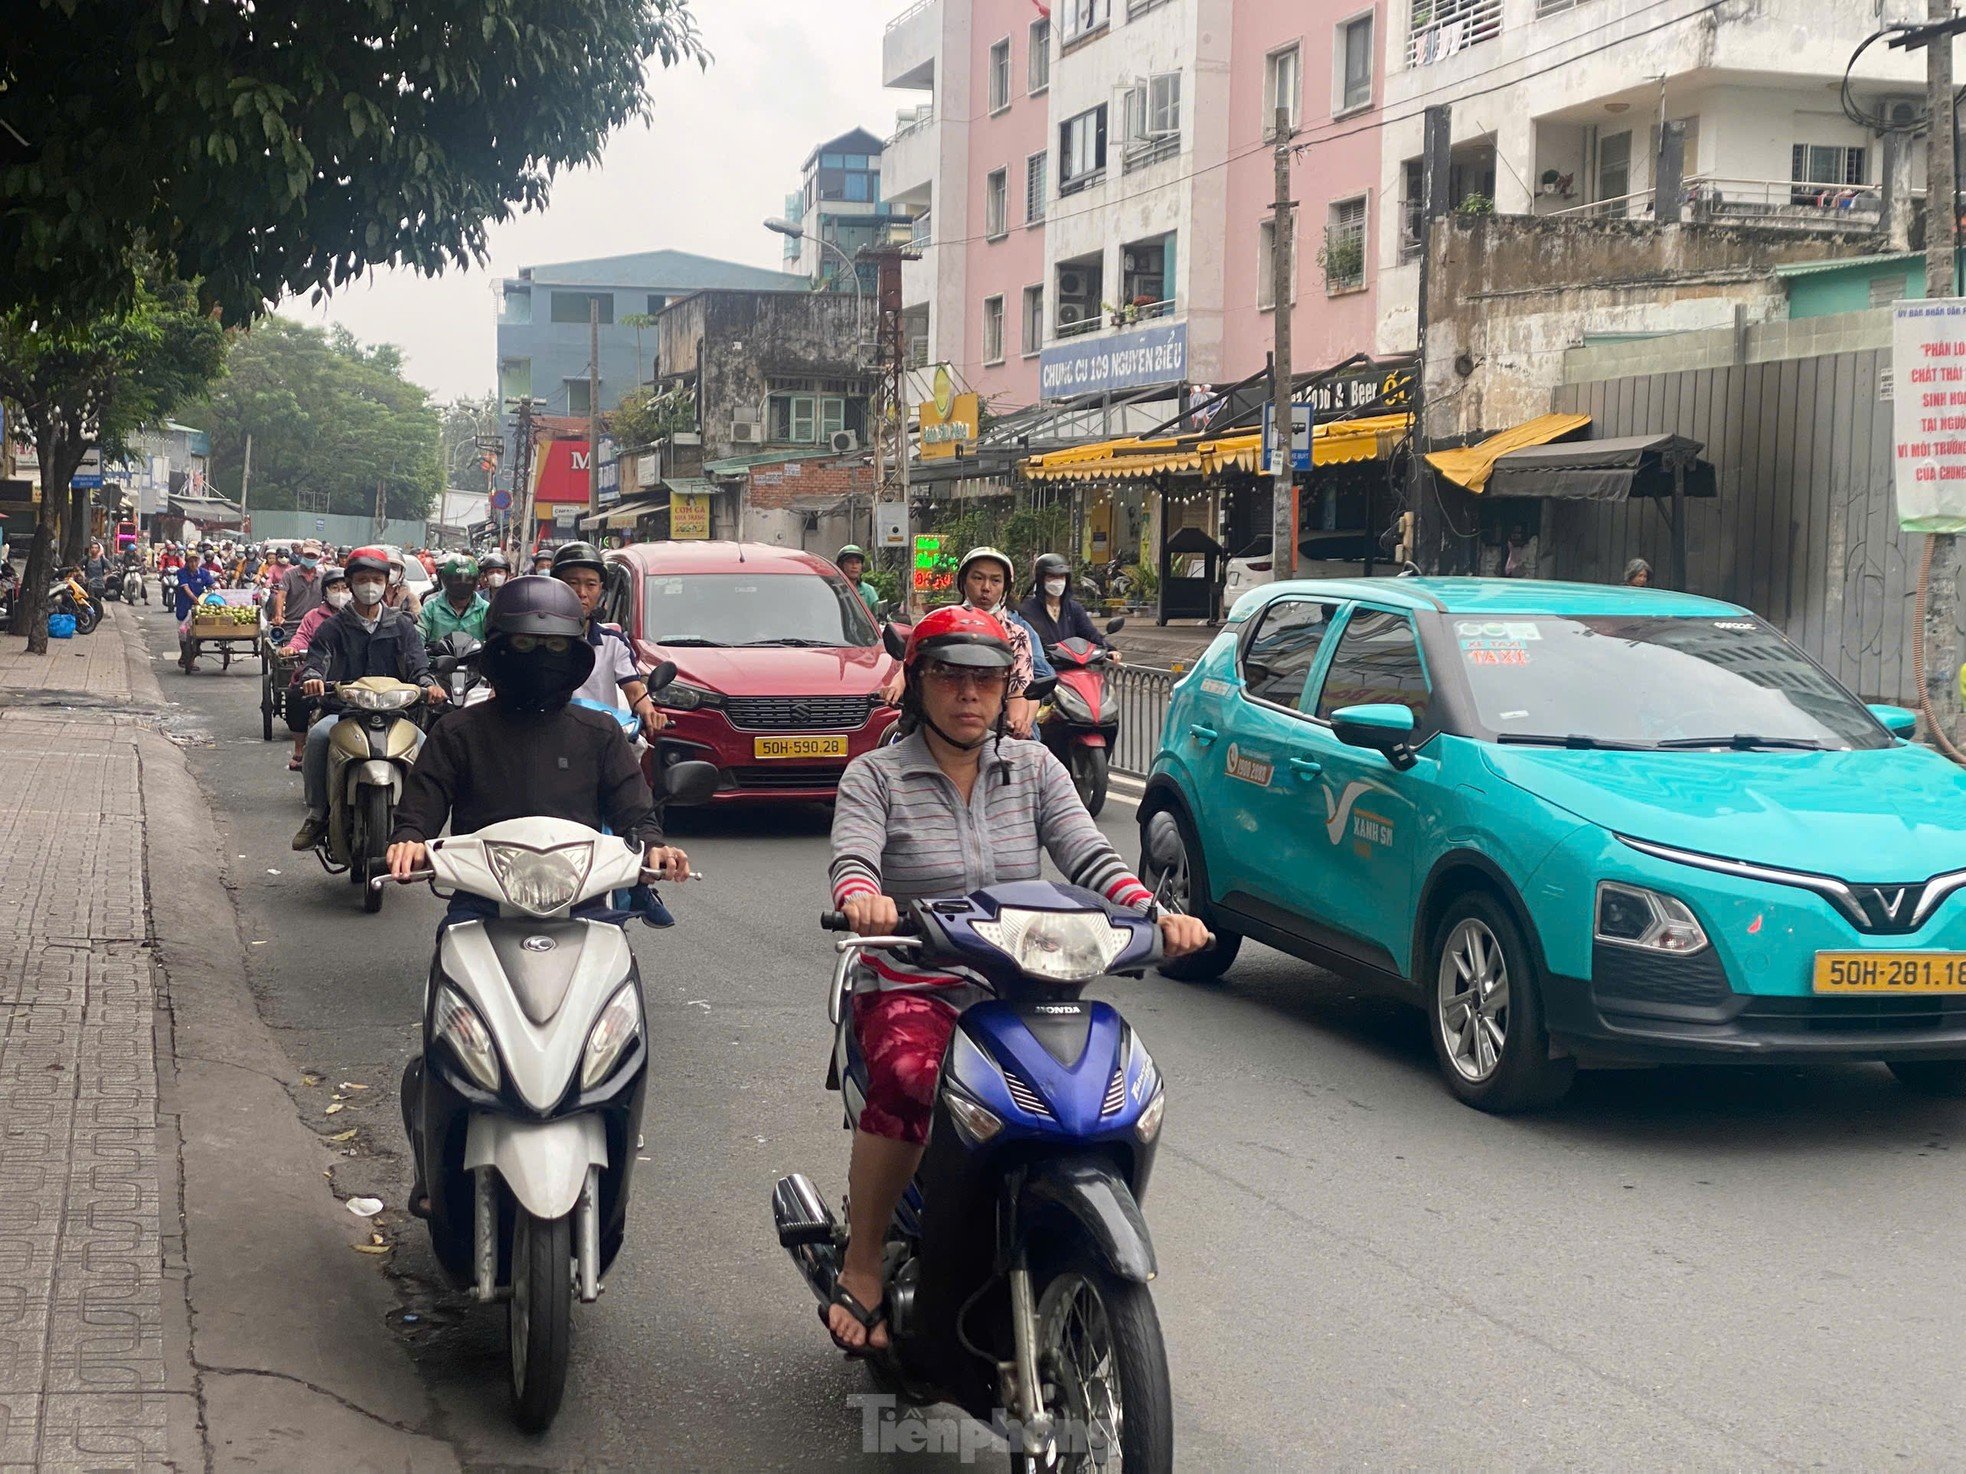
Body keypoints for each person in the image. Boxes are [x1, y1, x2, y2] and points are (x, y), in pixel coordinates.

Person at [821, 606, 1207, 1351]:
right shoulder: (876, 776)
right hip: (914, 981)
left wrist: (1156, 916)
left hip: (1029, 984)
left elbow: (1091, 858)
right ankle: (864, 1260)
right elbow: (854, 861)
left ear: (1007, 691)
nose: (969, 696)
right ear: (918, 686)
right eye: (950, 678)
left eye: (986, 681)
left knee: (1110, 1087)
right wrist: (862, 901)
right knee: (908, 1077)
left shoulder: (1034, 769)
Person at [291, 548, 444, 850]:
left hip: (395, 714)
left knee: (426, 747)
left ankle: (418, 823)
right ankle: (317, 814)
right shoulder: (332, 627)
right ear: (350, 584)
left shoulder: (402, 625)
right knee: (319, 738)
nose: (370, 586)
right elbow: (317, 660)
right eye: (362, 579)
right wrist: (313, 679)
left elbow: (418, 665)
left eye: (376, 579)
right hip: (344, 711)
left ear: (387, 583)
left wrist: (429, 685)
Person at [548, 542, 669, 731]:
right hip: (548, 736)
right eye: (572, 583)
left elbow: (634, 690)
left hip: (600, 738)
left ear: (601, 589)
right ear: (555, 586)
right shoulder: (539, 639)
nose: (582, 593)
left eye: (591, 585)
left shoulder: (614, 642)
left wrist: (649, 713)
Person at [279, 566, 349, 770]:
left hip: (352, 675)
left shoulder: (358, 616)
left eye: (345, 588)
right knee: (295, 696)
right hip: (318, 673)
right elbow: (302, 637)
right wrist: (292, 647)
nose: (340, 593)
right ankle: (299, 749)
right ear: (325, 592)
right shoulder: (313, 617)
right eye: (335, 588)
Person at [1018, 552, 1121, 659]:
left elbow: (1090, 634)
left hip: (1074, 667)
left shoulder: (1074, 609)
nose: (1057, 581)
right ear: (1041, 579)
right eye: (1052, 576)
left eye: (1061, 576)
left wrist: (1109, 649)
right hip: (1044, 672)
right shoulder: (1028, 610)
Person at [420, 553, 487, 643]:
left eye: (468, 579)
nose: (462, 584)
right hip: (436, 657)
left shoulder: (485, 609)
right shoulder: (430, 608)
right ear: (446, 580)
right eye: (457, 579)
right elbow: (418, 639)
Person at [272, 541, 327, 626]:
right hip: (293, 622)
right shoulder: (289, 574)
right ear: (301, 552)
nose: (310, 558)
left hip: (316, 624)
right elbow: (281, 595)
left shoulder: (322, 576)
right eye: (307, 555)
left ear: (318, 557)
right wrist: (278, 616)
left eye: (313, 556)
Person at [381, 549, 423, 622]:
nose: (391, 571)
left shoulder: (409, 597)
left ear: (401, 573)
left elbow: (419, 621)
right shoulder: (372, 593)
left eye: (395, 568)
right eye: (388, 567)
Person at [835, 545, 879, 614]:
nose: (854, 566)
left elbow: (877, 618)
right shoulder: (833, 590)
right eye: (850, 562)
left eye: (857, 562)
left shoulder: (869, 592)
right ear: (841, 565)